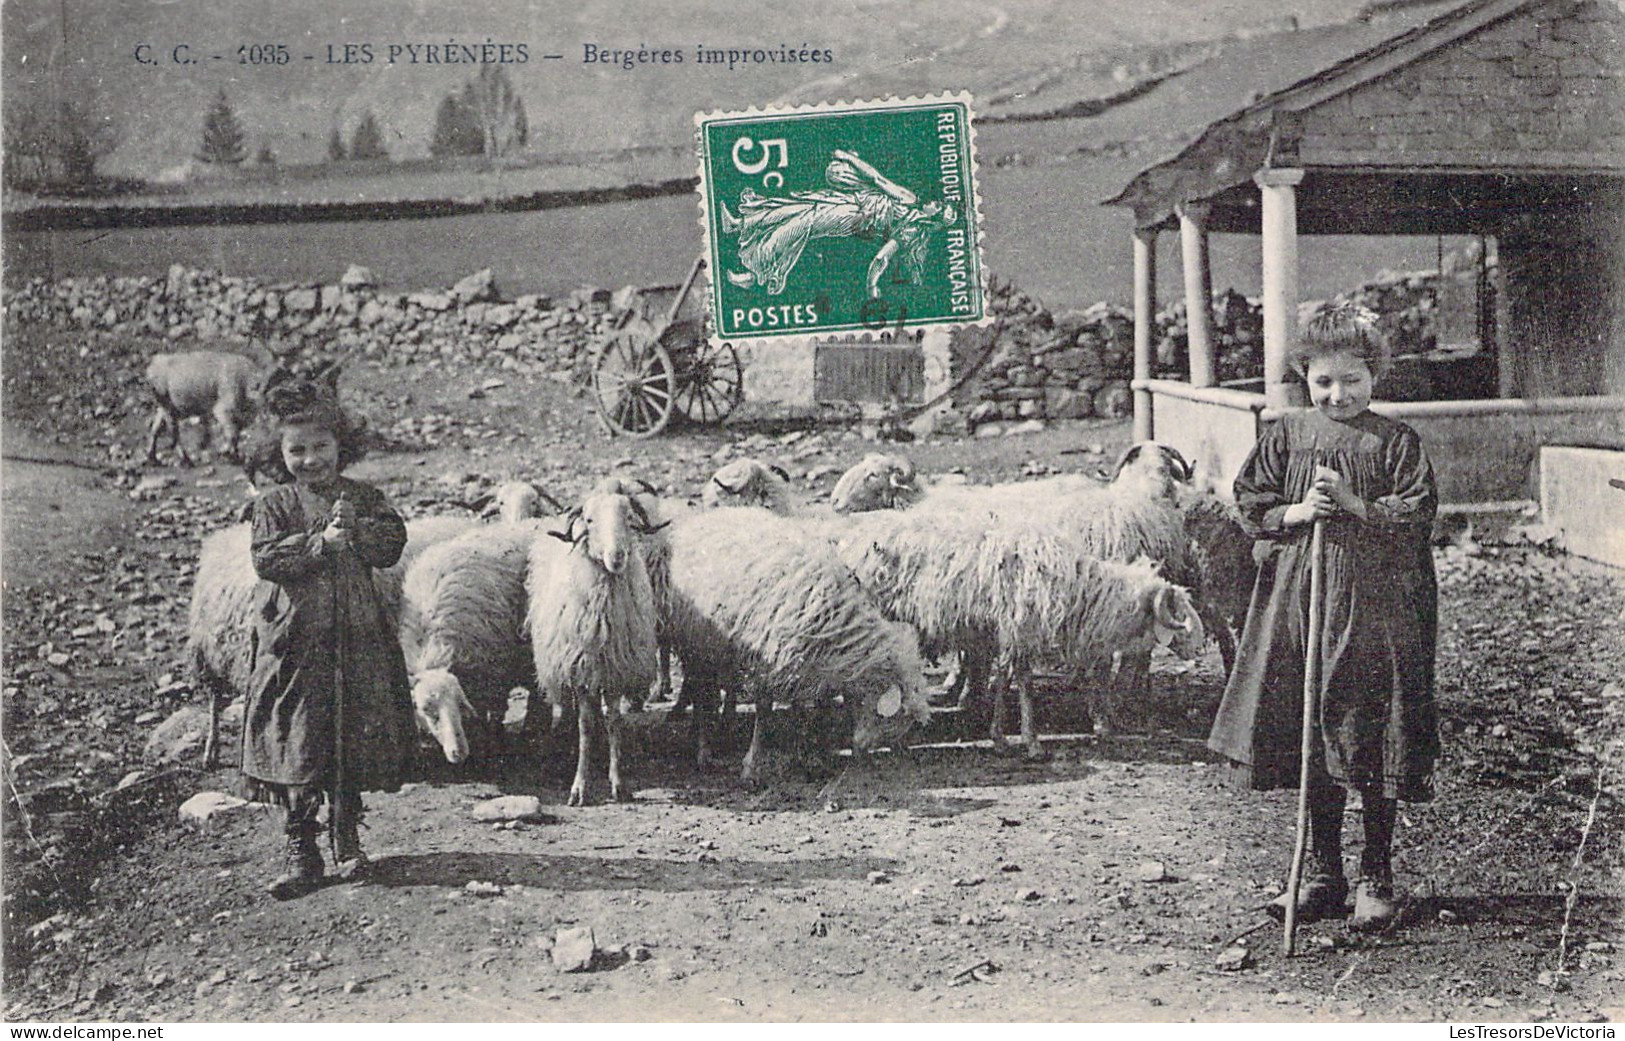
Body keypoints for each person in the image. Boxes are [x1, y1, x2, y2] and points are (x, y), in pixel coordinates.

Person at [1207, 303, 1439, 932]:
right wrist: (1296, 513)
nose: (1339, 394)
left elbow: (1417, 511)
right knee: (1311, 730)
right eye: (1324, 381)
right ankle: (1323, 874)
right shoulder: (1284, 436)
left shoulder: (1395, 442)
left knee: (1369, 730)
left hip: (1373, 615)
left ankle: (1377, 876)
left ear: (1375, 376)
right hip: (1299, 608)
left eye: (1353, 380)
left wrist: (1358, 506)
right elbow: (1250, 499)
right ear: (1303, 379)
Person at [238, 371, 414, 899]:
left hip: (355, 635)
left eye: (320, 447)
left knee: (352, 726)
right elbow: (266, 558)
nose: (310, 459)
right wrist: (321, 545)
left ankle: (348, 833)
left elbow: (392, 544)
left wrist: (357, 532)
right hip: (294, 640)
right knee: (298, 733)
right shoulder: (273, 504)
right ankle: (301, 846)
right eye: (297, 450)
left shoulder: (363, 496)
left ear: (342, 446)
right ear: (279, 453)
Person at [721, 148, 956, 298]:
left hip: (854, 218)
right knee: (799, 206)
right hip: (853, 200)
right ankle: (740, 224)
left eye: (938, 206)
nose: (934, 202)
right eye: (939, 202)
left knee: (804, 222)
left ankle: (754, 274)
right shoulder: (911, 200)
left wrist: (872, 287)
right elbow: (877, 180)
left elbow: (881, 258)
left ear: (933, 216)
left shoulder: (911, 230)